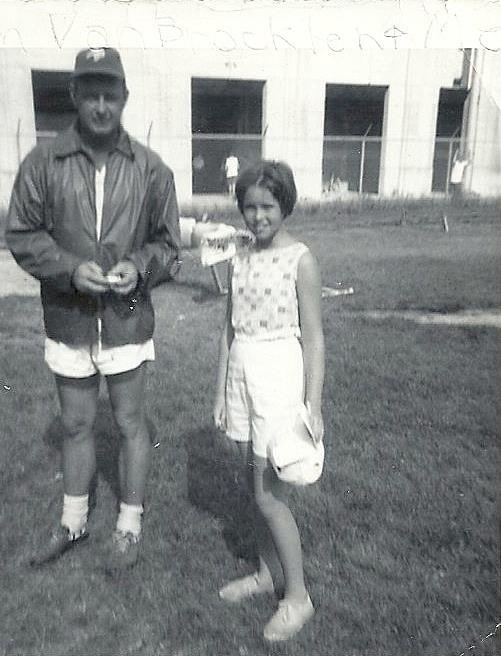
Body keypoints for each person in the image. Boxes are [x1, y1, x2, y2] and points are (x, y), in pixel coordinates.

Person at [6, 47, 181, 571]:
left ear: (124, 98)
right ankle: (73, 521)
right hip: (69, 317)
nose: (102, 105)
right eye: (91, 94)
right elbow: (21, 233)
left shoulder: (152, 168)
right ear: (75, 96)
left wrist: (139, 266)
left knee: (130, 424)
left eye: (111, 94)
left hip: (126, 317)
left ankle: (129, 525)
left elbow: (169, 245)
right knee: (77, 423)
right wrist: (67, 268)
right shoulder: (43, 162)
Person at [213, 160, 325, 642]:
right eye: (250, 207)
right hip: (241, 368)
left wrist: (313, 405)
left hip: (278, 373)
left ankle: (297, 597)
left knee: (267, 494)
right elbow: (227, 328)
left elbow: (315, 338)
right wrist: (219, 389)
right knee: (250, 485)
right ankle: (265, 573)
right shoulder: (238, 258)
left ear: (285, 206)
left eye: (268, 206)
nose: (258, 216)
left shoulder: (300, 259)